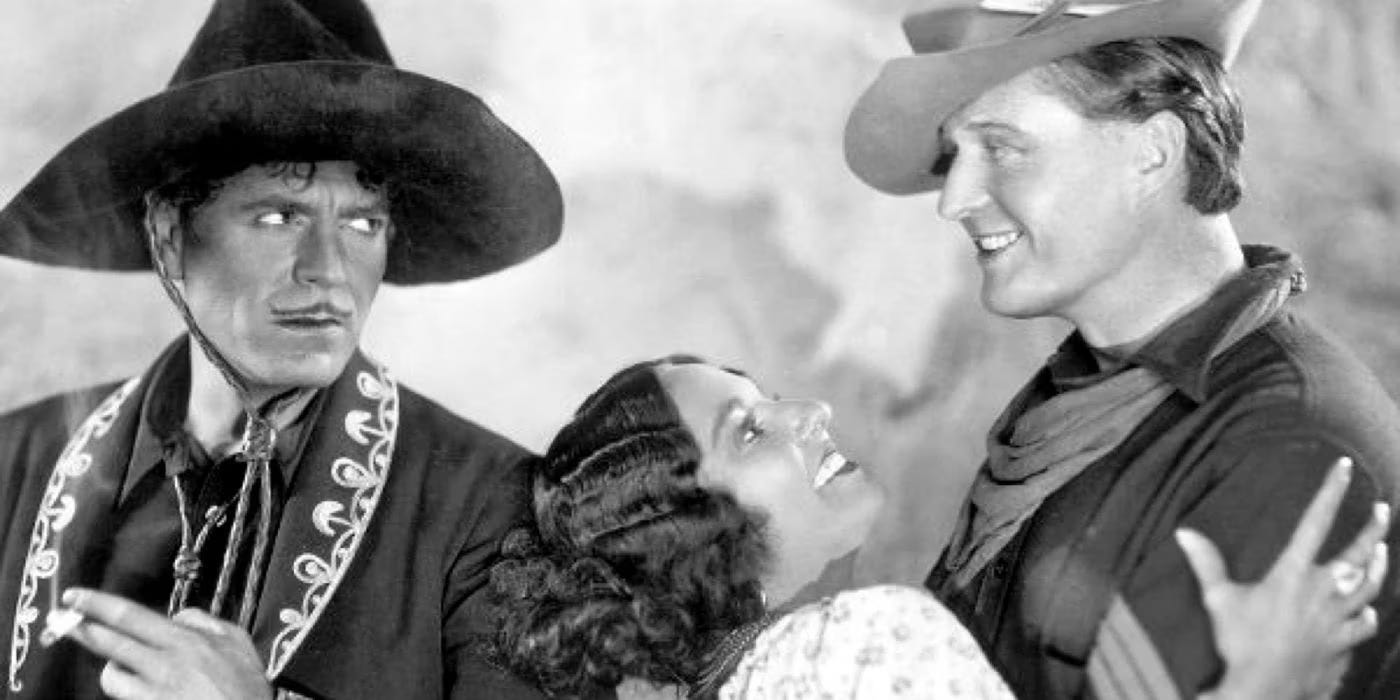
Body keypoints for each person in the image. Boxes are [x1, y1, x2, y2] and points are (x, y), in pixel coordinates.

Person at [0, 0, 560, 697]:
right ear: (170, 235)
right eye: (277, 215)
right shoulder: (12, 466)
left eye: (363, 222)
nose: (327, 269)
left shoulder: (494, 510)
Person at [842, 0, 1400, 697]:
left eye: (1002, 147)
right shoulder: (1078, 397)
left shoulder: (1287, 444)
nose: (953, 199)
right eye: (957, 156)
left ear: (1153, 152)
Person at [489, 356, 1388, 699]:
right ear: (681, 531)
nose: (813, 411)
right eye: (753, 430)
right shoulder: (849, 654)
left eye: (768, 395)